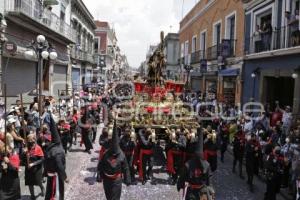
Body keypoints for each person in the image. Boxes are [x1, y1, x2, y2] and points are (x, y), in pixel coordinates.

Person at [177, 129, 214, 200]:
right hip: (195, 191)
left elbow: (182, 177)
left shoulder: (188, 164)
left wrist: (180, 185)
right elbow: (209, 179)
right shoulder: (206, 164)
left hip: (200, 192)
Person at [98, 120, 131, 200]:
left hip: (116, 180)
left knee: (116, 197)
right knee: (108, 196)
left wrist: (127, 178)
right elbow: (100, 165)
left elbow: (125, 167)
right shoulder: (106, 154)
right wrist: (99, 175)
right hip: (106, 179)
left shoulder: (121, 155)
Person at [44, 116, 69, 200]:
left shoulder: (50, 147)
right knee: (56, 192)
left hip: (50, 172)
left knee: (50, 190)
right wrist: (65, 177)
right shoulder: (57, 151)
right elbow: (59, 166)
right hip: (56, 174)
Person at [24, 134, 45, 200]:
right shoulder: (26, 148)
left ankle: (42, 188)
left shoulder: (38, 148)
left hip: (37, 168)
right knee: (30, 183)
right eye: (28, 140)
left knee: (38, 182)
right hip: (28, 169)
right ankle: (32, 195)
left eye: (31, 140)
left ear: (34, 140)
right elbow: (21, 159)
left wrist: (33, 164)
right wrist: (23, 153)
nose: (30, 141)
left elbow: (42, 159)